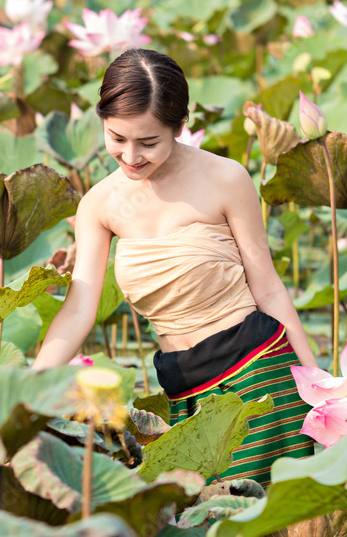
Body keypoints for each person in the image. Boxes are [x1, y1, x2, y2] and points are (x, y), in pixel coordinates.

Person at [32, 48, 318, 489]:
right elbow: (78, 307)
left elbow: (269, 287)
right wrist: (31, 388)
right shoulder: (98, 204)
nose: (130, 156)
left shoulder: (226, 178)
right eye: (117, 138)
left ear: (180, 127)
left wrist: (317, 385)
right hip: (184, 389)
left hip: (260, 377)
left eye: (148, 143)